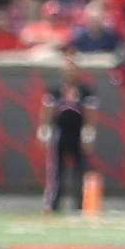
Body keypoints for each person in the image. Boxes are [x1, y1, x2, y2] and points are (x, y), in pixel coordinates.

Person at [38, 57, 94, 212]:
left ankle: (81, 205)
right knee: (56, 171)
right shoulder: (55, 90)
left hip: (78, 133)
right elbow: (47, 109)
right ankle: (52, 204)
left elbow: (90, 112)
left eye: (73, 70)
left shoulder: (85, 91)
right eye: (67, 70)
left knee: (81, 170)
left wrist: (88, 132)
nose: (70, 73)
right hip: (60, 133)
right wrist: (43, 128)